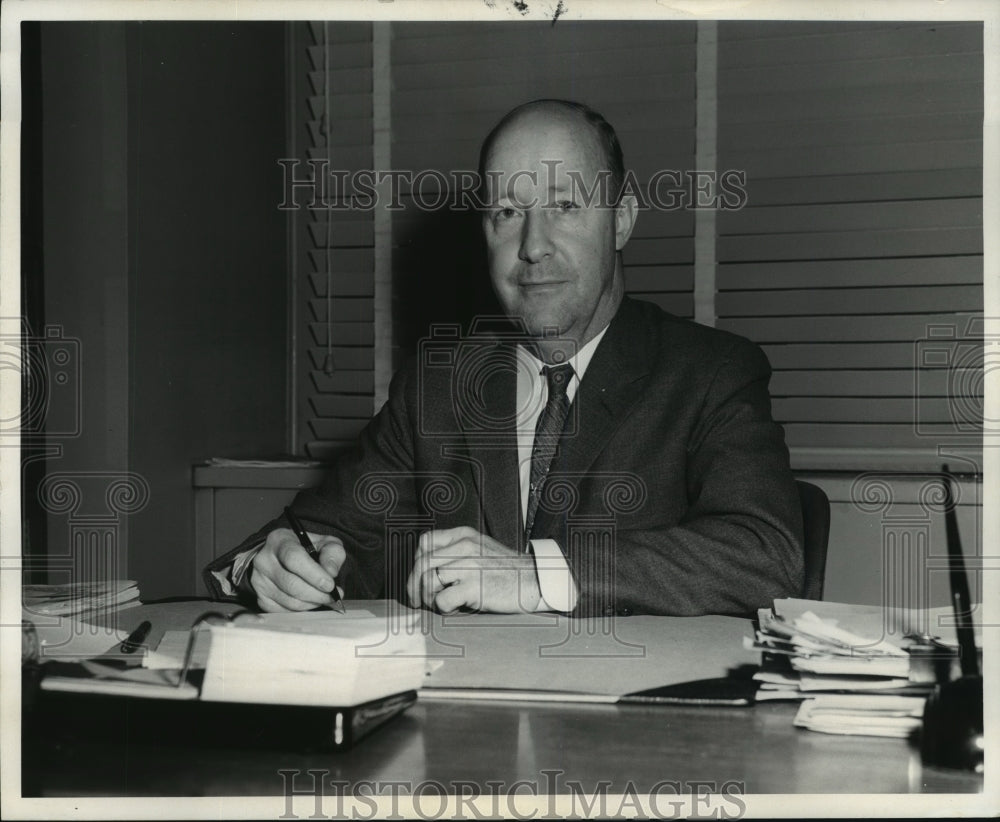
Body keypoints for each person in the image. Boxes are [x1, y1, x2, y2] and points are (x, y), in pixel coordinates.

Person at [205, 99, 804, 618]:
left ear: (621, 219)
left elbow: (763, 555)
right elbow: (321, 536)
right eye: (507, 213)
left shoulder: (710, 373)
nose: (533, 247)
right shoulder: (438, 384)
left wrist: (535, 575)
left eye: (565, 206)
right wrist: (274, 565)